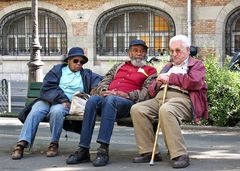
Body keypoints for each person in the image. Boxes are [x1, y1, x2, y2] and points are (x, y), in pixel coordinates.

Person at [66, 40, 157, 167]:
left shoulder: (150, 71)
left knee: (111, 100)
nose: (138, 54)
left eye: (142, 51)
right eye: (135, 50)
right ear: (130, 53)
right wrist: (103, 91)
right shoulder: (119, 66)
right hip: (108, 98)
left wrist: (126, 95)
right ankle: (83, 149)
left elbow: (146, 93)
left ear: (145, 54)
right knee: (92, 100)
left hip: (127, 103)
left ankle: (103, 150)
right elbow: (105, 81)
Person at [130, 35, 208, 168]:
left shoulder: (196, 64)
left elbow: (194, 82)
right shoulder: (168, 66)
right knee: (137, 109)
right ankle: (149, 151)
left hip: (182, 98)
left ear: (188, 50)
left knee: (166, 110)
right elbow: (151, 91)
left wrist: (171, 78)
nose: (174, 54)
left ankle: (179, 154)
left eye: (178, 50)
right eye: (172, 51)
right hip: (160, 97)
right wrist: (158, 82)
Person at [11, 47, 103, 160]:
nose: (79, 64)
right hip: (48, 100)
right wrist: (62, 98)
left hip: (65, 104)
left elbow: (101, 80)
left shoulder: (86, 74)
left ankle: (54, 143)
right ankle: (22, 143)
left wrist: (95, 88)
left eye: (82, 62)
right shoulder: (57, 70)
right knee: (35, 111)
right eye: (76, 61)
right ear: (68, 60)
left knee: (57, 111)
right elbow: (48, 86)